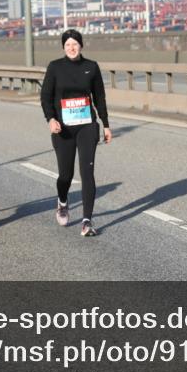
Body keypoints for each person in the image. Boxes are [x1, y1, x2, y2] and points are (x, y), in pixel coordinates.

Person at [40, 29, 112, 237]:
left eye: (75, 44)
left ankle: (87, 221)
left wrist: (105, 124)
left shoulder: (91, 67)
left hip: (87, 125)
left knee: (87, 172)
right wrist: (50, 119)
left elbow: (100, 97)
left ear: (81, 45)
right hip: (63, 127)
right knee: (66, 175)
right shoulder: (55, 67)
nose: (72, 48)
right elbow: (45, 96)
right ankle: (62, 201)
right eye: (68, 45)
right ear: (63, 47)